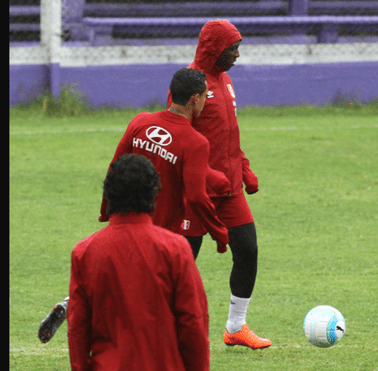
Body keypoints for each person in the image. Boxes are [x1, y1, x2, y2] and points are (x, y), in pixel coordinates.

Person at [38, 67, 229, 344]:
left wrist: (106, 209)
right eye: (205, 98)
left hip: (124, 218)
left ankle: (72, 303)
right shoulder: (195, 141)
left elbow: (116, 164)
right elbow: (197, 197)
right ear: (194, 99)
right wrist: (219, 232)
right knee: (149, 293)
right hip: (159, 231)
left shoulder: (141, 121)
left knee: (122, 278)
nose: (206, 103)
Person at [167, 19, 271, 349]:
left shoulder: (225, 81)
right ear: (215, 50)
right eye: (233, 49)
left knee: (248, 250)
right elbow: (178, 135)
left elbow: (228, 134)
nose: (238, 55)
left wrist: (244, 168)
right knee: (181, 264)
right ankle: (160, 326)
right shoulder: (189, 82)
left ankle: (235, 327)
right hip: (195, 191)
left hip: (229, 190)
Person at [67, 153, 210, 370]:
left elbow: (78, 328)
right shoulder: (175, 248)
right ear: (153, 193)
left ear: (109, 194)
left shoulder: (85, 252)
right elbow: (193, 322)